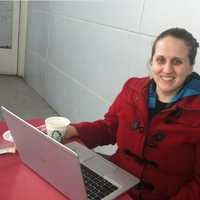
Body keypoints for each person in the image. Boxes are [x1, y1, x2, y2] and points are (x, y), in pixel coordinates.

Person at [64, 27, 200, 200]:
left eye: (177, 62)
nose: (167, 69)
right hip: (114, 184)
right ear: (152, 62)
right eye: (160, 60)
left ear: (190, 67)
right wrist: (73, 130)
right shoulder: (132, 89)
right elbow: (109, 128)